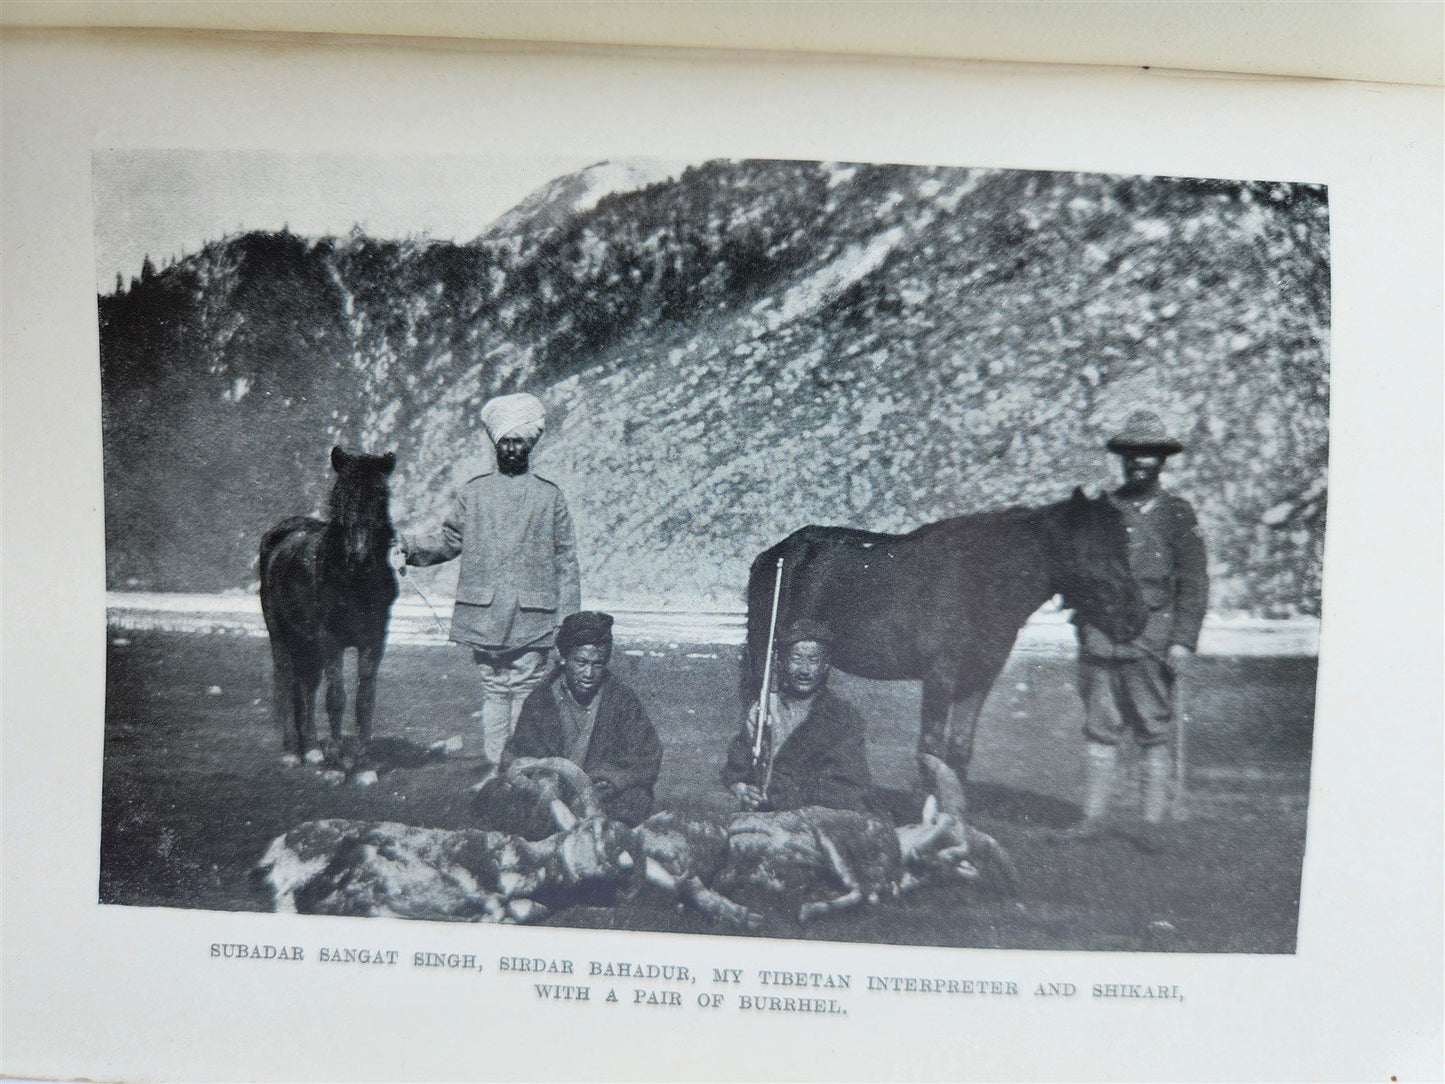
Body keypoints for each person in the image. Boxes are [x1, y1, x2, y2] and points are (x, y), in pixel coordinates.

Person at [395, 392, 581, 770]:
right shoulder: (473, 493)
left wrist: (568, 620)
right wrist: (408, 545)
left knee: (526, 693)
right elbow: (447, 542)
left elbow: (566, 562)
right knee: (496, 692)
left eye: (519, 442)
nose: (511, 449)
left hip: (535, 617)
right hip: (483, 615)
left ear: (530, 445)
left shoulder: (551, 497)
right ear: (496, 444)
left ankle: (519, 770)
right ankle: (500, 771)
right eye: (505, 442)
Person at [1059, 409, 1208, 849]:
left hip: (1152, 643)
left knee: (1153, 730)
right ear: (1121, 458)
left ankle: (1152, 826)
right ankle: (1092, 819)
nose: (1140, 461)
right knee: (1099, 729)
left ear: (1162, 461)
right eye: (1132, 453)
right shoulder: (1100, 510)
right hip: (1102, 639)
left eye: (1150, 454)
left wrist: (1182, 641)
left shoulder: (1178, 515)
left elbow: (1194, 583)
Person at [500, 611, 663, 826]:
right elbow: (520, 751)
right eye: (581, 662)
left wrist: (610, 780)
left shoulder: (622, 700)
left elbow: (648, 753)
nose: (588, 673)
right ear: (564, 659)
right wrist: (541, 780)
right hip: (552, 792)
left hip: (601, 793)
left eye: (597, 664)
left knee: (634, 801)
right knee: (500, 798)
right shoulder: (541, 700)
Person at [721, 619, 873, 814]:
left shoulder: (844, 718)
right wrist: (743, 790)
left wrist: (779, 798)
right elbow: (736, 768)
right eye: (796, 659)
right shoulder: (765, 709)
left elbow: (846, 789)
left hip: (817, 821)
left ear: (826, 665)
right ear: (781, 663)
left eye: (813, 660)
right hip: (762, 815)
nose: (804, 670)